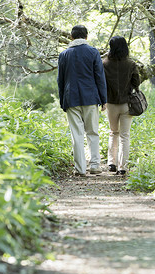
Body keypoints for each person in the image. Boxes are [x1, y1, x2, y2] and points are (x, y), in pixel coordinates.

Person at [57, 25, 107, 176]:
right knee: (93, 132)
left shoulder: (64, 54)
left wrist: (62, 101)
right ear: (86, 37)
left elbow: (61, 80)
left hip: (70, 98)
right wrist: (104, 99)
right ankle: (95, 165)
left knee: (76, 134)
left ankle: (80, 169)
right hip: (91, 98)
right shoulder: (93, 52)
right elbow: (100, 77)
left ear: (71, 37)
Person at [102, 36, 140, 175]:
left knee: (113, 132)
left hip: (111, 103)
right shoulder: (131, 64)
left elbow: (102, 83)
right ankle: (122, 167)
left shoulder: (104, 63)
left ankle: (111, 162)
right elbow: (137, 82)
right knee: (125, 135)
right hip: (126, 104)